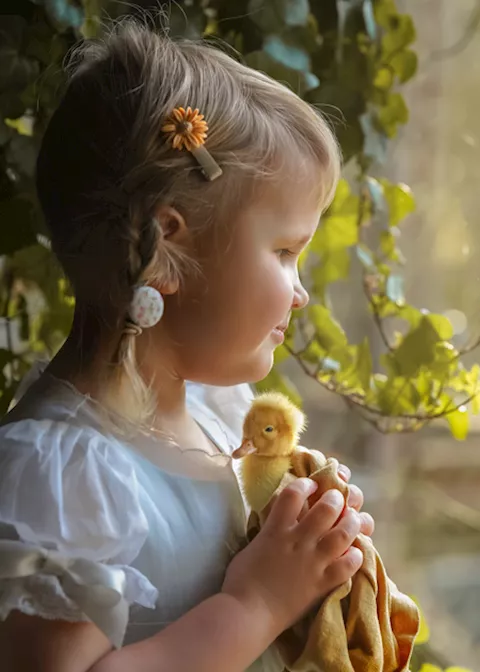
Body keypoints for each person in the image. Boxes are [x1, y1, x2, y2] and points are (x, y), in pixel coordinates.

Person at [0, 19, 376, 671]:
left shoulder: (221, 410)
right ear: (167, 251)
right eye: (285, 252)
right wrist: (256, 605)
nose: (300, 292)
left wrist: (309, 547)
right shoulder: (65, 476)